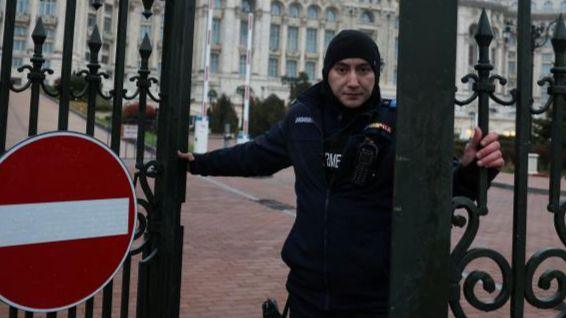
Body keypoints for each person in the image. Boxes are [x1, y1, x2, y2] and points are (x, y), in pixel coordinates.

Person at [178, 30, 503, 318]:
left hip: (373, 298)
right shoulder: (302, 118)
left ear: (375, 74)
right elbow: (253, 156)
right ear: (327, 72)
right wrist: (198, 162)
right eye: (342, 69)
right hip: (307, 292)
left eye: (363, 70)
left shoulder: (398, 123)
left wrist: (473, 169)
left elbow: (443, 185)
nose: (353, 81)